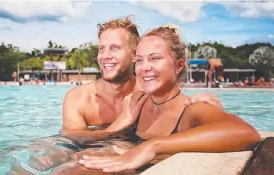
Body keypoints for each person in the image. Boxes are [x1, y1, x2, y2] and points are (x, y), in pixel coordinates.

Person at [5, 16, 224, 174]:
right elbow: (71, 138)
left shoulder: (148, 90)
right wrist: (120, 124)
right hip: (83, 145)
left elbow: (172, 100)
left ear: (134, 54)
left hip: (123, 149)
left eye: (114, 48)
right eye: (102, 49)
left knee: (71, 170)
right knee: (31, 159)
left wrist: (197, 101)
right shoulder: (78, 98)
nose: (105, 56)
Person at [78, 24, 261, 173]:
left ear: (179, 65)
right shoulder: (134, 103)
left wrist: (153, 146)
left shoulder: (191, 110)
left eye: (155, 58)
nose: (144, 68)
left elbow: (247, 133)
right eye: (139, 61)